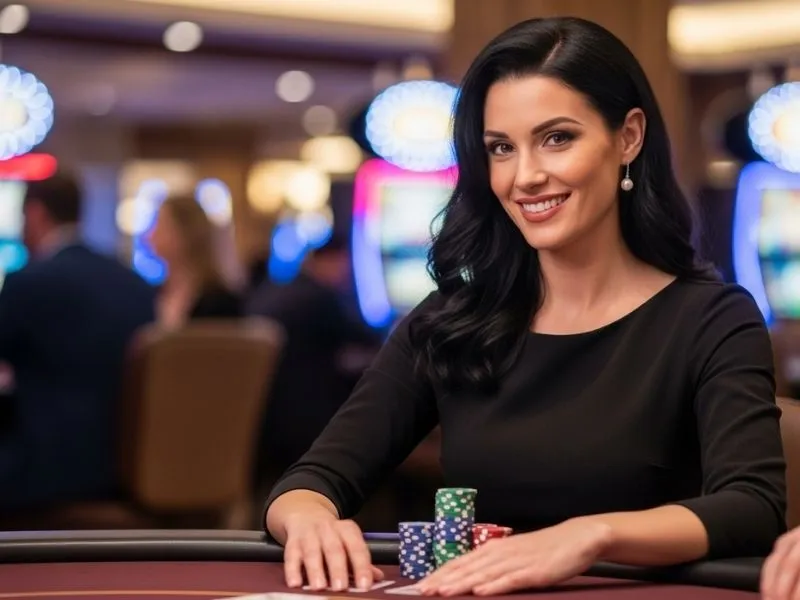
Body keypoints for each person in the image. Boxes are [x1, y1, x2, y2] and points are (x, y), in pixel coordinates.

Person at [264, 16, 787, 596]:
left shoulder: (711, 319)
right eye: (501, 149)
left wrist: (590, 536)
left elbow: (751, 506)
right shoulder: (454, 318)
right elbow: (314, 479)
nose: (526, 176)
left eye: (557, 138)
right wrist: (308, 516)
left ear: (628, 138)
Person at [0, 171, 155, 510]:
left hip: (41, 469)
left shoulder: (27, 282)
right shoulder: (135, 284)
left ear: (36, 214)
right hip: (125, 467)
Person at [148, 192, 242, 327]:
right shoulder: (153, 294)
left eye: (161, 226)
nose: (151, 235)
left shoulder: (220, 301)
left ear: (186, 232)